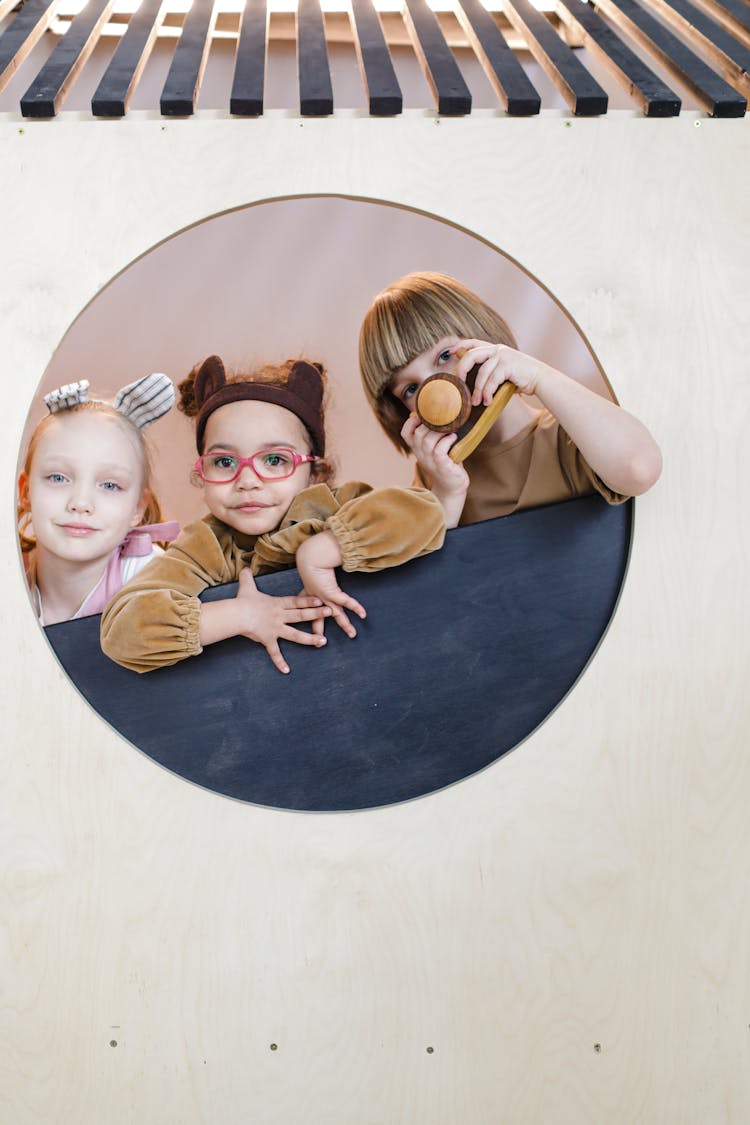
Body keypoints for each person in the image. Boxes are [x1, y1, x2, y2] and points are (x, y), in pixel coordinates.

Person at [100, 355, 445, 674]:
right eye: (224, 462)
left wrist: (325, 548)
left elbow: (426, 512)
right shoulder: (207, 545)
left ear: (314, 472)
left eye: (275, 460)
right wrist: (241, 615)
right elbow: (121, 632)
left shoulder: (336, 505)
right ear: (201, 474)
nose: (248, 481)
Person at [359, 271, 662, 527]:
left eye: (445, 356)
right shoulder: (435, 477)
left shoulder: (569, 436)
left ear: (483, 339)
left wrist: (538, 377)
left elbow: (639, 469)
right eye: (410, 389)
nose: (433, 389)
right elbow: (426, 584)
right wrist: (447, 497)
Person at [18, 374, 178, 626]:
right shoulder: (11, 582)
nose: (81, 503)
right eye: (58, 478)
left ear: (138, 507)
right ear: (26, 492)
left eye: (110, 485)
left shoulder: (150, 578)